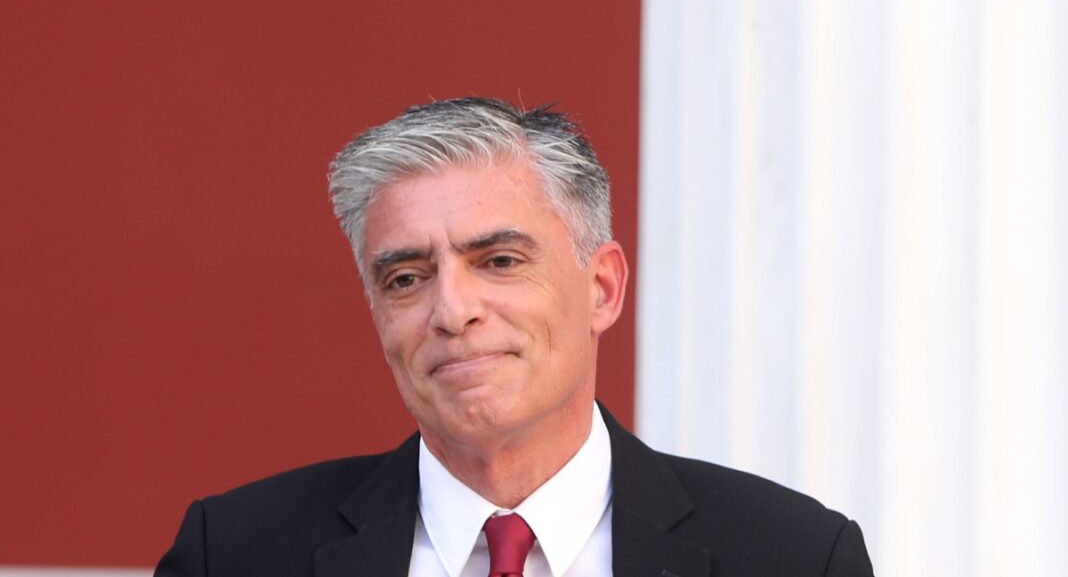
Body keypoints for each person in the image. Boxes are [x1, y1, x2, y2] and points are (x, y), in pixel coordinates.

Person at [155, 97, 874, 577]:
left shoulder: (793, 557)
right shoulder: (237, 554)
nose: (452, 309)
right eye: (406, 277)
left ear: (602, 288)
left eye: (499, 261)